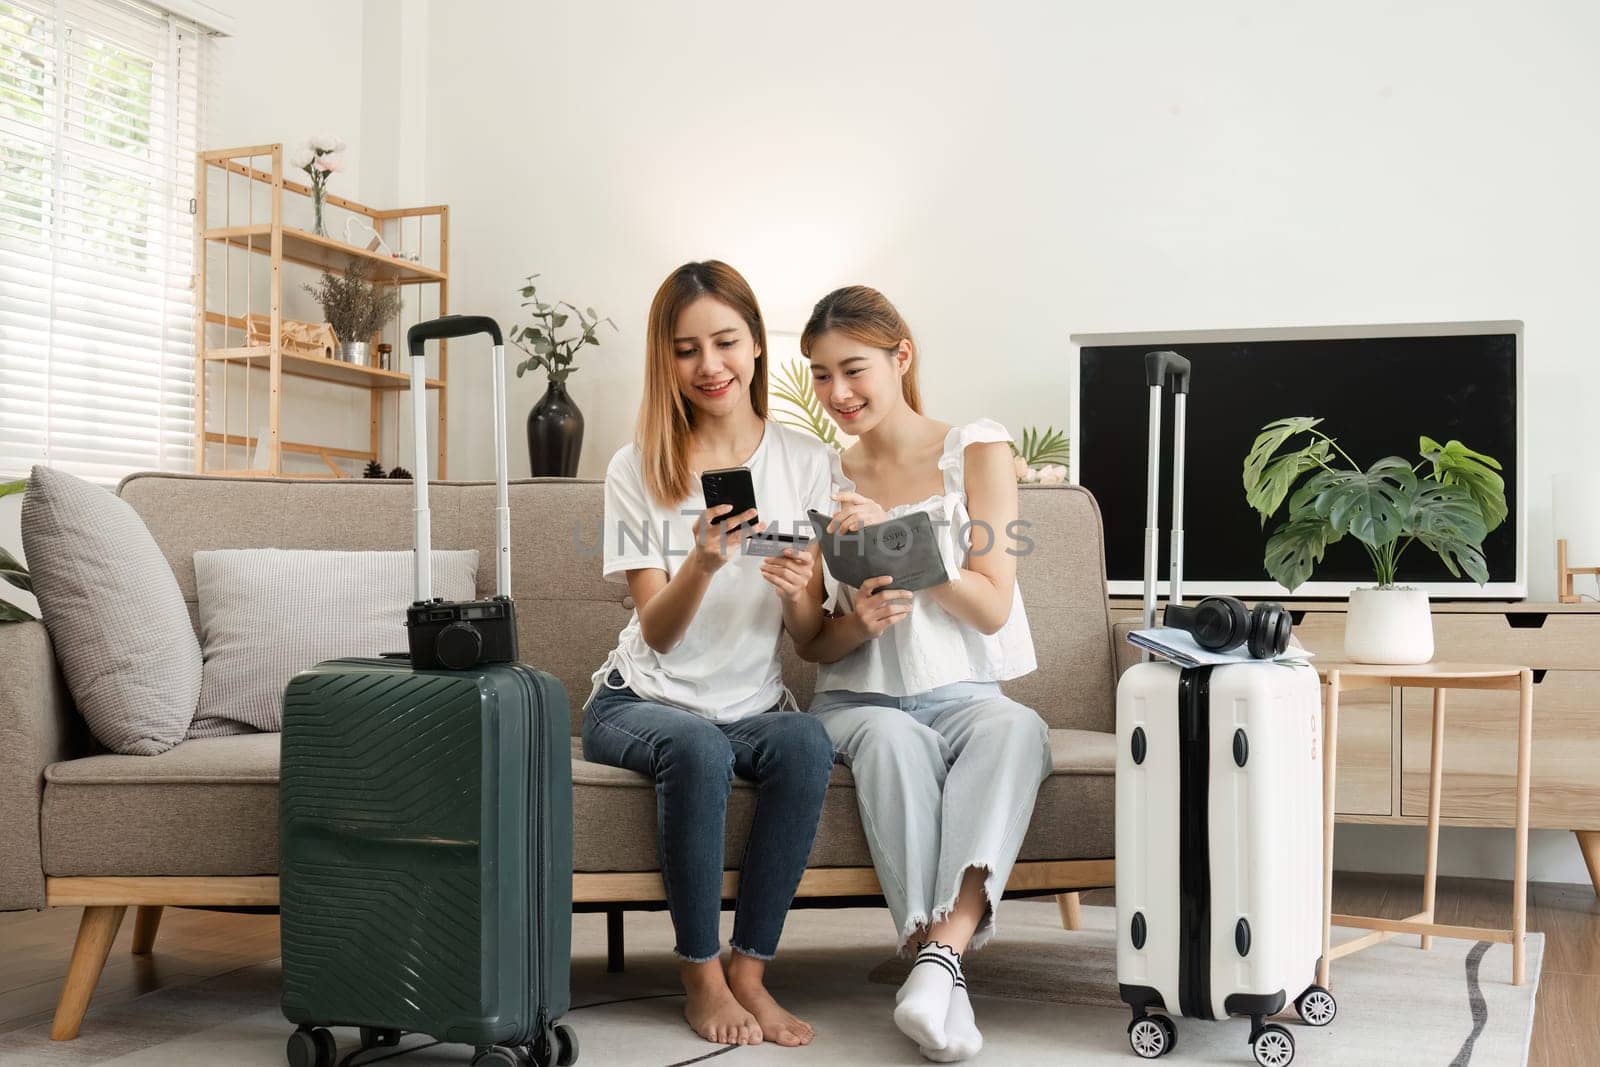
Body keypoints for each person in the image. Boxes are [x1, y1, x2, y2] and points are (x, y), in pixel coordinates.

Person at [581, 260, 836, 1048]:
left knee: (806, 739)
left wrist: (799, 589)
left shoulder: (807, 462)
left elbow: (807, 637)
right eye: (687, 349)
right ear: (667, 361)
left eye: (725, 341)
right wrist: (701, 560)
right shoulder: (638, 467)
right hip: (640, 699)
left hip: (752, 706)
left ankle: (750, 968)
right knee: (693, 745)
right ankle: (699, 970)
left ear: (758, 344)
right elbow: (655, 631)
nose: (710, 365)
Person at [794, 285, 1050, 1062]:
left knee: (1019, 728)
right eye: (821, 375)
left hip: (964, 692)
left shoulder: (975, 449)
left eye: (854, 369)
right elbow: (814, 646)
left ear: (901, 355)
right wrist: (854, 623)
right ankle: (940, 969)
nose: (838, 393)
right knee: (894, 738)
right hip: (856, 700)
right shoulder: (815, 472)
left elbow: (993, 606)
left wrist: (903, 542)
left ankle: (939, 961)